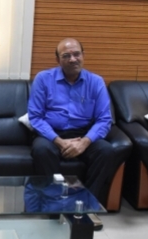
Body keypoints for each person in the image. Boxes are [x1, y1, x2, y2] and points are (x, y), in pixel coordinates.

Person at [28, 37, 115, 215]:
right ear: (58, 60)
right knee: (41, 150)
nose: (72, 59)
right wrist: (59, 141)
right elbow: (35, 117)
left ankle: (87, 205)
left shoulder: (96, 82)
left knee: (106, 151)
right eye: (66, 55)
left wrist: (84, 142)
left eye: (76, 54)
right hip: (51, 134)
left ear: (83, 55)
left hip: (83, 134)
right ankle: (53, 204)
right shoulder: (43, 79)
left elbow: (104, 119)